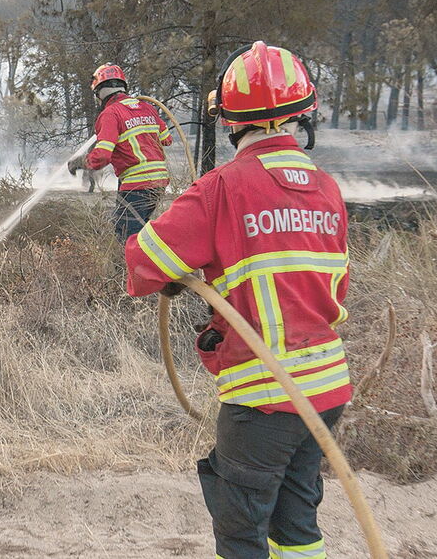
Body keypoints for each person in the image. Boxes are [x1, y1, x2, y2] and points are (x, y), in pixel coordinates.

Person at [124, 41, 350, 559]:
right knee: (297, 525)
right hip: (327, 391)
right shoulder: (328, 189)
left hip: (264, 398)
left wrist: (181, 271)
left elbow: (143, 264)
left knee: (241, 534)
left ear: (229, 121)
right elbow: (334, 289)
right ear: (302, 115)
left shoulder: (222, 187)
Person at [68, 63, 172, 241]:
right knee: (141, 233)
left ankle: (133, 269)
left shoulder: (110, 114)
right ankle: (150, 264)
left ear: (100, 92)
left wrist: (80, 162)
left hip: (137, 184)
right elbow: (166, 139)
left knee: (127, 236)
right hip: (159, 183)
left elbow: (101, 156)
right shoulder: (147, 108)